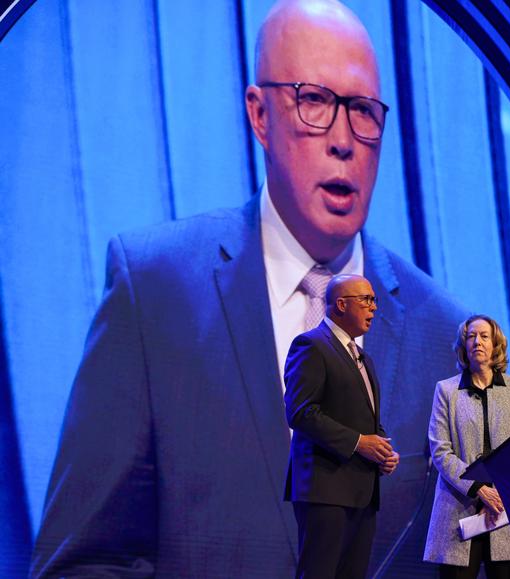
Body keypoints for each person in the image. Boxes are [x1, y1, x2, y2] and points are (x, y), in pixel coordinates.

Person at [30, 1, 467, 576]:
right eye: (314, 101)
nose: (343, 140)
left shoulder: (445, 338)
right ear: (259, 115)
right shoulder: (154, 292)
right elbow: (79, 563)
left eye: (362, 110)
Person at [284, 274, 398, 578]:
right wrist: (360, 443)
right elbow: (301, 412)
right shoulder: (311, 345)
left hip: (362, 490)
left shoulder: (364, 357)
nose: (374, 308)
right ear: (341, 304)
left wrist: (383, 448)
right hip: (325, 489)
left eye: (375, 300)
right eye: (367, 300)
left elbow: (366, 417)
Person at [423, 315, 510, 579]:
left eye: (484, 336)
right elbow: (440, 451)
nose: (477, 341)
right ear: (464, 345)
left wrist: (498, 493)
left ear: (496, 344)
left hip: (506, 508)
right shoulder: (446, 390)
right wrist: (479, 490)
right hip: (458, 507)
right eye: (471, 336)